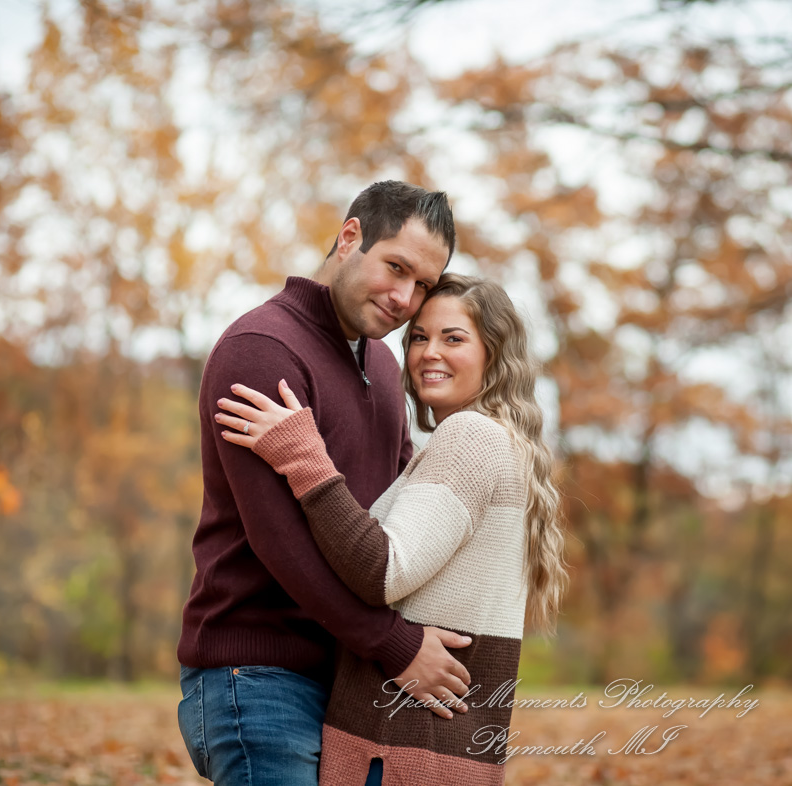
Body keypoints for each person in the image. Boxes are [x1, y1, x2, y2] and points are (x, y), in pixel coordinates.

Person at [177, 182, 477, 786]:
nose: (404, 298)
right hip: (258, 674)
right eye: (396, 268)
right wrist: (396, 645)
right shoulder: (262, 349)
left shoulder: (385, 367)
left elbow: (393, 530)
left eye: (422, 285)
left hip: (351, 676)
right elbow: (278, 544)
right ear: (350, 238)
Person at [216, 274, 569, 785]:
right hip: (439, 755)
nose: (429, 353)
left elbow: (383, 570)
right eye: (420, 337)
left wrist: (305, 457)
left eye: (454, 338)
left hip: (400, 750)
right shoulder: (498, 445)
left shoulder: (469, 437)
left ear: (495, 353)